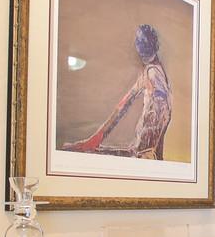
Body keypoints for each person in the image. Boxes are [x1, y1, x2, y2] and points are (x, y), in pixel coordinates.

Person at [62, 24, 172, 160]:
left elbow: (162, 111)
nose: (140, 45)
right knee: (83, 151)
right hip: (143, 153)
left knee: (81, 154)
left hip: (145, 156)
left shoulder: (154, 74)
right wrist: (96, 138)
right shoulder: (149, 73)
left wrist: (148, 148)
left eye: (142, 42)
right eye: (139, 41)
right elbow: (122, 106)